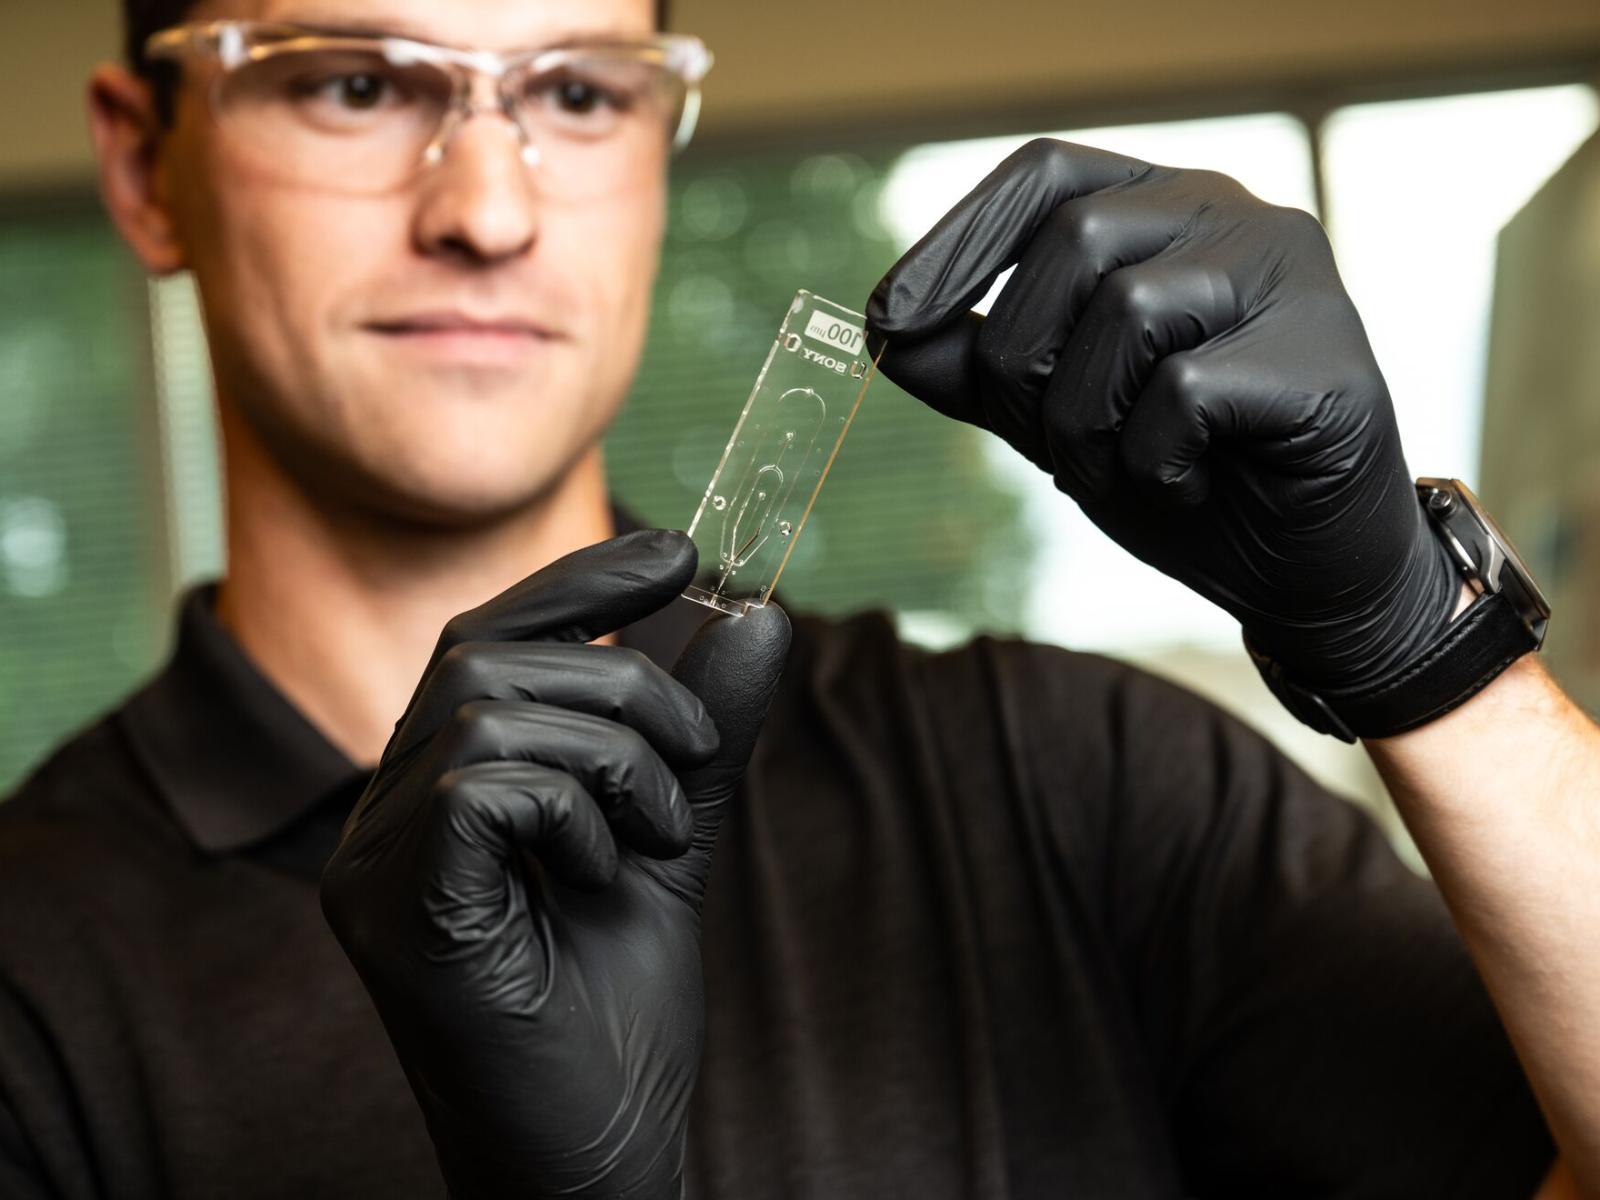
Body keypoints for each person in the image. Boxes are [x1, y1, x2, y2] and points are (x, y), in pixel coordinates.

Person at [2, 0, 1598, 1195]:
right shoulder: (30, 973)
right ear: (146, 165)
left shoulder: (1073, 778)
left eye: (576, 90)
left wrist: (1423, 656)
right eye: (354, 83)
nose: (487, 212)